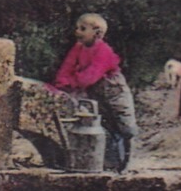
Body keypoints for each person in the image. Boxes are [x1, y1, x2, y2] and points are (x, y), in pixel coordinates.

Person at [51, 12, 139, 172]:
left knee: (126, 127)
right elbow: (66, 68)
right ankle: (109, 163)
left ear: (97, 33)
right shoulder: (78, 48)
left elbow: (89, 77)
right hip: (96, 94)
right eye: (77, 28)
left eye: (83, 28)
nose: (77, 32)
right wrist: (62, 84)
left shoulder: (103, 51)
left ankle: (126, 162)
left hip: (115, 93)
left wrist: (71, 82)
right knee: (104, 126)